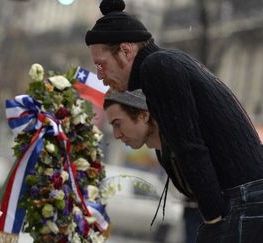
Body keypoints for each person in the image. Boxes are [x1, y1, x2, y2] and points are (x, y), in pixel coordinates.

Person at [86, 0, 263, 242]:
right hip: (247, 195)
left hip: (245, 198)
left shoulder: (157, 67)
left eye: (101, 65)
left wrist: (213, 217)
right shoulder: (166, 62)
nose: (100, 76)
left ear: (126, 51)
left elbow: (189, 145)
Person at [103, 89, 202, 243]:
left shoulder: (187, 147)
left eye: (118, 124)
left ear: (144, 115)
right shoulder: (163, 151)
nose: (116, 134)